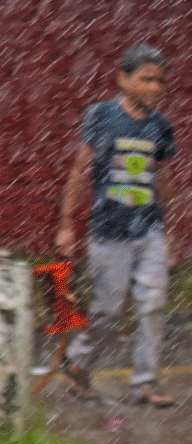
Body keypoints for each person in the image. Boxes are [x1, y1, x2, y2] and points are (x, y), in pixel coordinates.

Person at [55, 43, 179, 407]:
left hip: (150, 230)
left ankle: (145, 383)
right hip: (109, 231)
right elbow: (79, 171)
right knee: (108, 311)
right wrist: (65, 224)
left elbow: (167, 180)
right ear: (122, 79)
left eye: (160, 81)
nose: (155, 88)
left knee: (153, 304)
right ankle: (79, 363)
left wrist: (173, 231)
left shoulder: (161, 126)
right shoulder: (102, 116)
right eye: (146, 79)